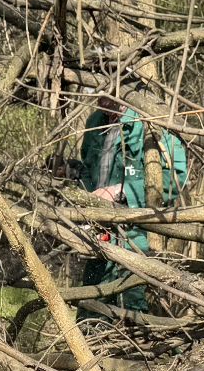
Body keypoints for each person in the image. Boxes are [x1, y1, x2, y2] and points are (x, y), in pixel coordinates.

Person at [78, 94, 188, 313]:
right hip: (98, 235)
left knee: (136, 316)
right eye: (98, 96)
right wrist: (72, 174)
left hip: (137, 238)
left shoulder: (151, 122)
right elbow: (89, 172)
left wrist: (122, 191)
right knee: (91, 311)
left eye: (109, 96)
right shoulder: (95, 122)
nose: (103, 102)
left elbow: (174, 179)